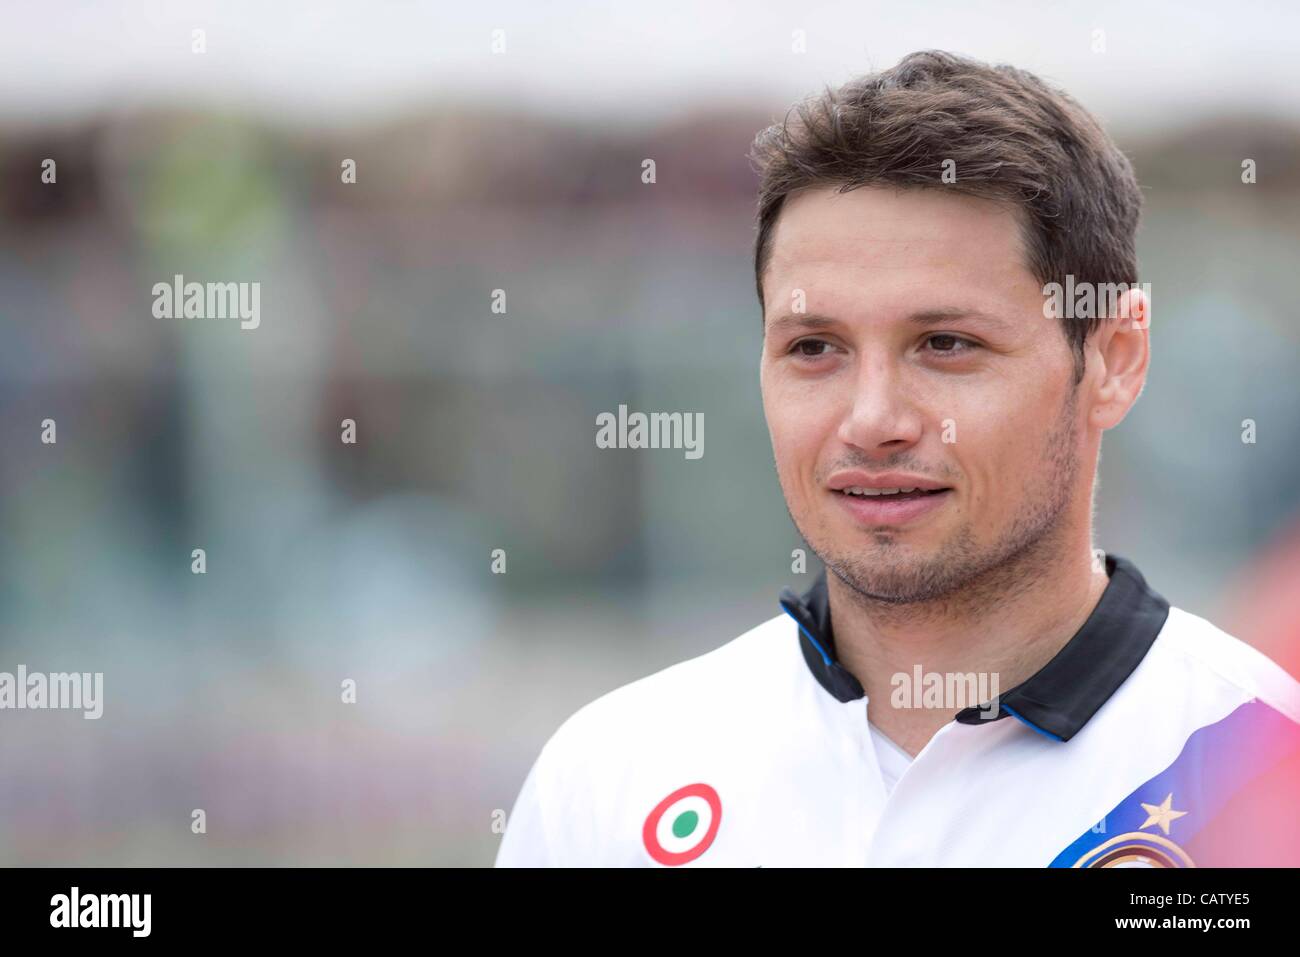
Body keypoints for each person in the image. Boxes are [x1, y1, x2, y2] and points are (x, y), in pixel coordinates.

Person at [495, 50, 1300, 867]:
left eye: (946, 344)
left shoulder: (1267, 771)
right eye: (814, 347)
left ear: (1114, 359)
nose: (872, 419)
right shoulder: (604, 780)